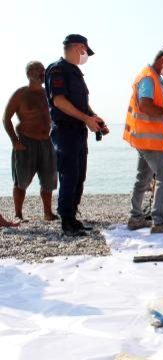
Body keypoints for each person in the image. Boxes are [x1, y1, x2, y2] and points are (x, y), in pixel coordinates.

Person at [45, 34, 106, 237]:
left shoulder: (75, 72)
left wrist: (93, 117)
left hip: (78, 131)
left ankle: (73, 216)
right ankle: (66, 220)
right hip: (65, 131)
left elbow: (80, 103)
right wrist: (85, 118)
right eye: (85, 51)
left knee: (79, 175)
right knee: (69, 175)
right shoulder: (58, 69)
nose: (85, 55)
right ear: (78, 47)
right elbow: (59, 101)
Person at [124, 44, 163, 234]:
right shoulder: (149, 79)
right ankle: (160, 221)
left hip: (144, 139)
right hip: (150, 141)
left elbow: (151, 106)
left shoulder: (153, 78)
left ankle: (135, 218)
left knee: (142, 178)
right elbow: (145, 106)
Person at [3, 61, 57, 221]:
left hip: (47, 142)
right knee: (21, 180)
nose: (42, 72)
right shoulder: (21, 93)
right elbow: (6, 118)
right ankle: (18, 214)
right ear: (29, 73)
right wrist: (14, 141)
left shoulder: (49, 93)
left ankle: (48, 213)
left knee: (48, 180)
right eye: (38, 70)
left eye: (43, 70)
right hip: (26, 142)